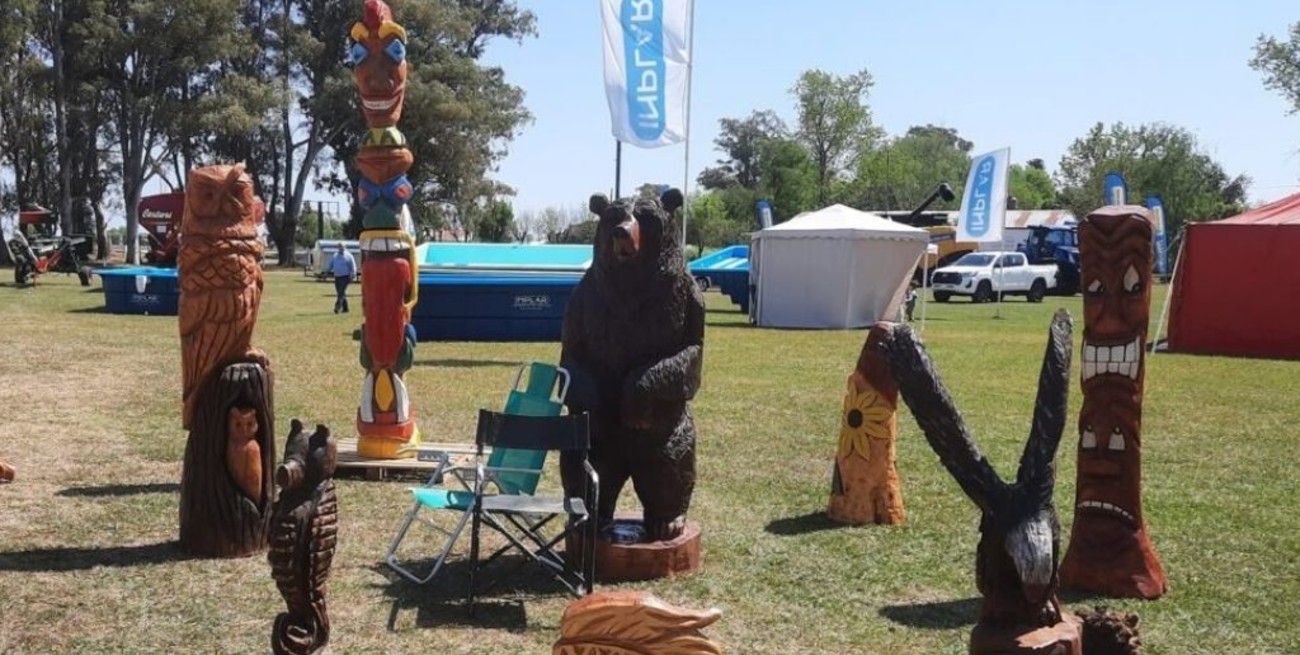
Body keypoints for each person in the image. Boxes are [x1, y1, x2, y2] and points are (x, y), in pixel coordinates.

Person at [328, 243, 356, 313]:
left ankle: (337, 307)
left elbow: (353, 266)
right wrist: (327, 271)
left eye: (342, 247)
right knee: (340, 293)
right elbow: (331, 264)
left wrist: (353, 274)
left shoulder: (349, 256)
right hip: (337, 277)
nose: (341, 248)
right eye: (340, 247)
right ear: (338, 248)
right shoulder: (335, 255)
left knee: (341, 292)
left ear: (345, 247)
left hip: (345, 277)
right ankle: (346, 309)